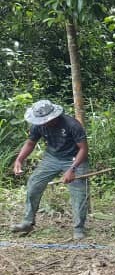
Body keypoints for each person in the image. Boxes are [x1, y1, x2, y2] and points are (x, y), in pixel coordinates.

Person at [10, 99, 90, 239]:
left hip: (74, 158)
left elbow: (83, 149)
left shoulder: (72, 125)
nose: (44, 123)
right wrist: (19, 160)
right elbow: (30, 143)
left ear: (55, 115)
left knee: (79, 192)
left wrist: (72, 169)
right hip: (52, 157)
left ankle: (79, 228)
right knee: (34, 183)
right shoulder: (38, 125)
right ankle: (28, 222)